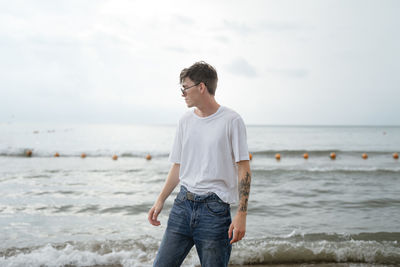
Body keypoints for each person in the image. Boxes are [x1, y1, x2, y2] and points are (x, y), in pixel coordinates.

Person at [148, 61, 251, 267]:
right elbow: (178, 165)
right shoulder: (185, 121)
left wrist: (241, 214)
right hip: (182, 206)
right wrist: (160, 200)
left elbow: (244, 168)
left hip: (214, 212)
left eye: (185, 87)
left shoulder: (232, 120)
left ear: (201, 87)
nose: (183, 93)